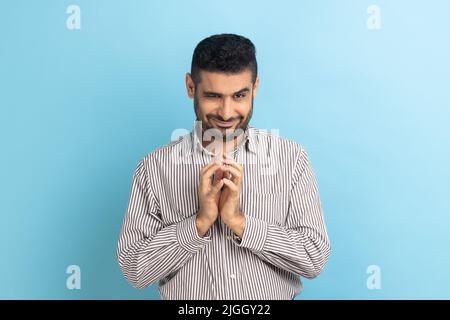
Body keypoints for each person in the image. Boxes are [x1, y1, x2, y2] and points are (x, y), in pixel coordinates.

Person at [117, 33, 331, 299]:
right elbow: (135, 269)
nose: (227, 113)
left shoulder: (290, 159)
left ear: (255, 88)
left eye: (239, 95)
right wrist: (199, 223)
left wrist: (239, 222)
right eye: (213, 96)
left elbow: (313, 257)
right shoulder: (153, 169)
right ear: (190, 87)